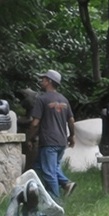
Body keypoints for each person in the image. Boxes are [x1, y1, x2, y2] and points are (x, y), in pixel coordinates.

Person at [25, 70, 76, 199]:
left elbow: (35, 123)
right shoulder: (64, 99)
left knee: (49, 173)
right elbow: (71, 120)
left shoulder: (42, 99)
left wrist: (29, 138)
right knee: (39, 166)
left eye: (44, 79)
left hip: (48, 142)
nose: (41, 81)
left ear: (49, 81)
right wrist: (72, 136)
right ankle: (40, 193)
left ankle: (55, 201)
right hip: (61, 141)